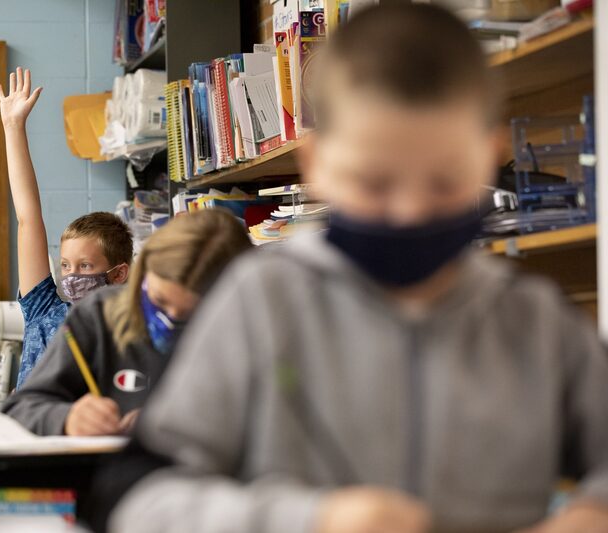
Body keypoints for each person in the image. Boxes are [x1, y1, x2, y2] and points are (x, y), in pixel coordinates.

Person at [103, 5, 608, 533]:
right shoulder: (263, 301)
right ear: (317, 163)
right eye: (375, 183)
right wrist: (309, 519)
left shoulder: (533, 317)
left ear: (488, 156)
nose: (410, 211)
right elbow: (136, 499)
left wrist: (594, 511)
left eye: (442, 182)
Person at [2, 209, 252, 437]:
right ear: (143, 278)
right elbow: (21, 408)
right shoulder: (100, 314)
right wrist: (67, 418)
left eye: (189, 314)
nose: (169, 320)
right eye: (159, 301)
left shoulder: (251, 334)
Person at [0, 67, 133, 388]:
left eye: (85, 266)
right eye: (65, 265)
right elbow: (28, 217)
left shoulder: (128, 333)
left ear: (118, 274)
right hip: (26, 433)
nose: (71, 276)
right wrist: (13, 126)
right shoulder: (44, 311)